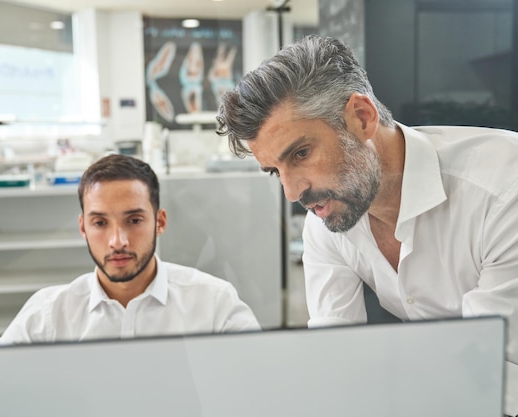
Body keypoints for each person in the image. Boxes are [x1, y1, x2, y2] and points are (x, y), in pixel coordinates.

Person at [216, 35, 518, 416]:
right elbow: (336, 353)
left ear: (362, 117)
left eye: (301, 153)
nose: (293, 193)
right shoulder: (329, 218)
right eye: (276, 170)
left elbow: (491, 372)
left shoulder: (503, 191)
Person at [0, 154, 260, 345]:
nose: (118, 241)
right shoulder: (48, 315)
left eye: (134, 220)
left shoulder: (214, 303)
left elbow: (261, 380)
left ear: (160, 222)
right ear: (83, 227)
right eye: (100, 223)